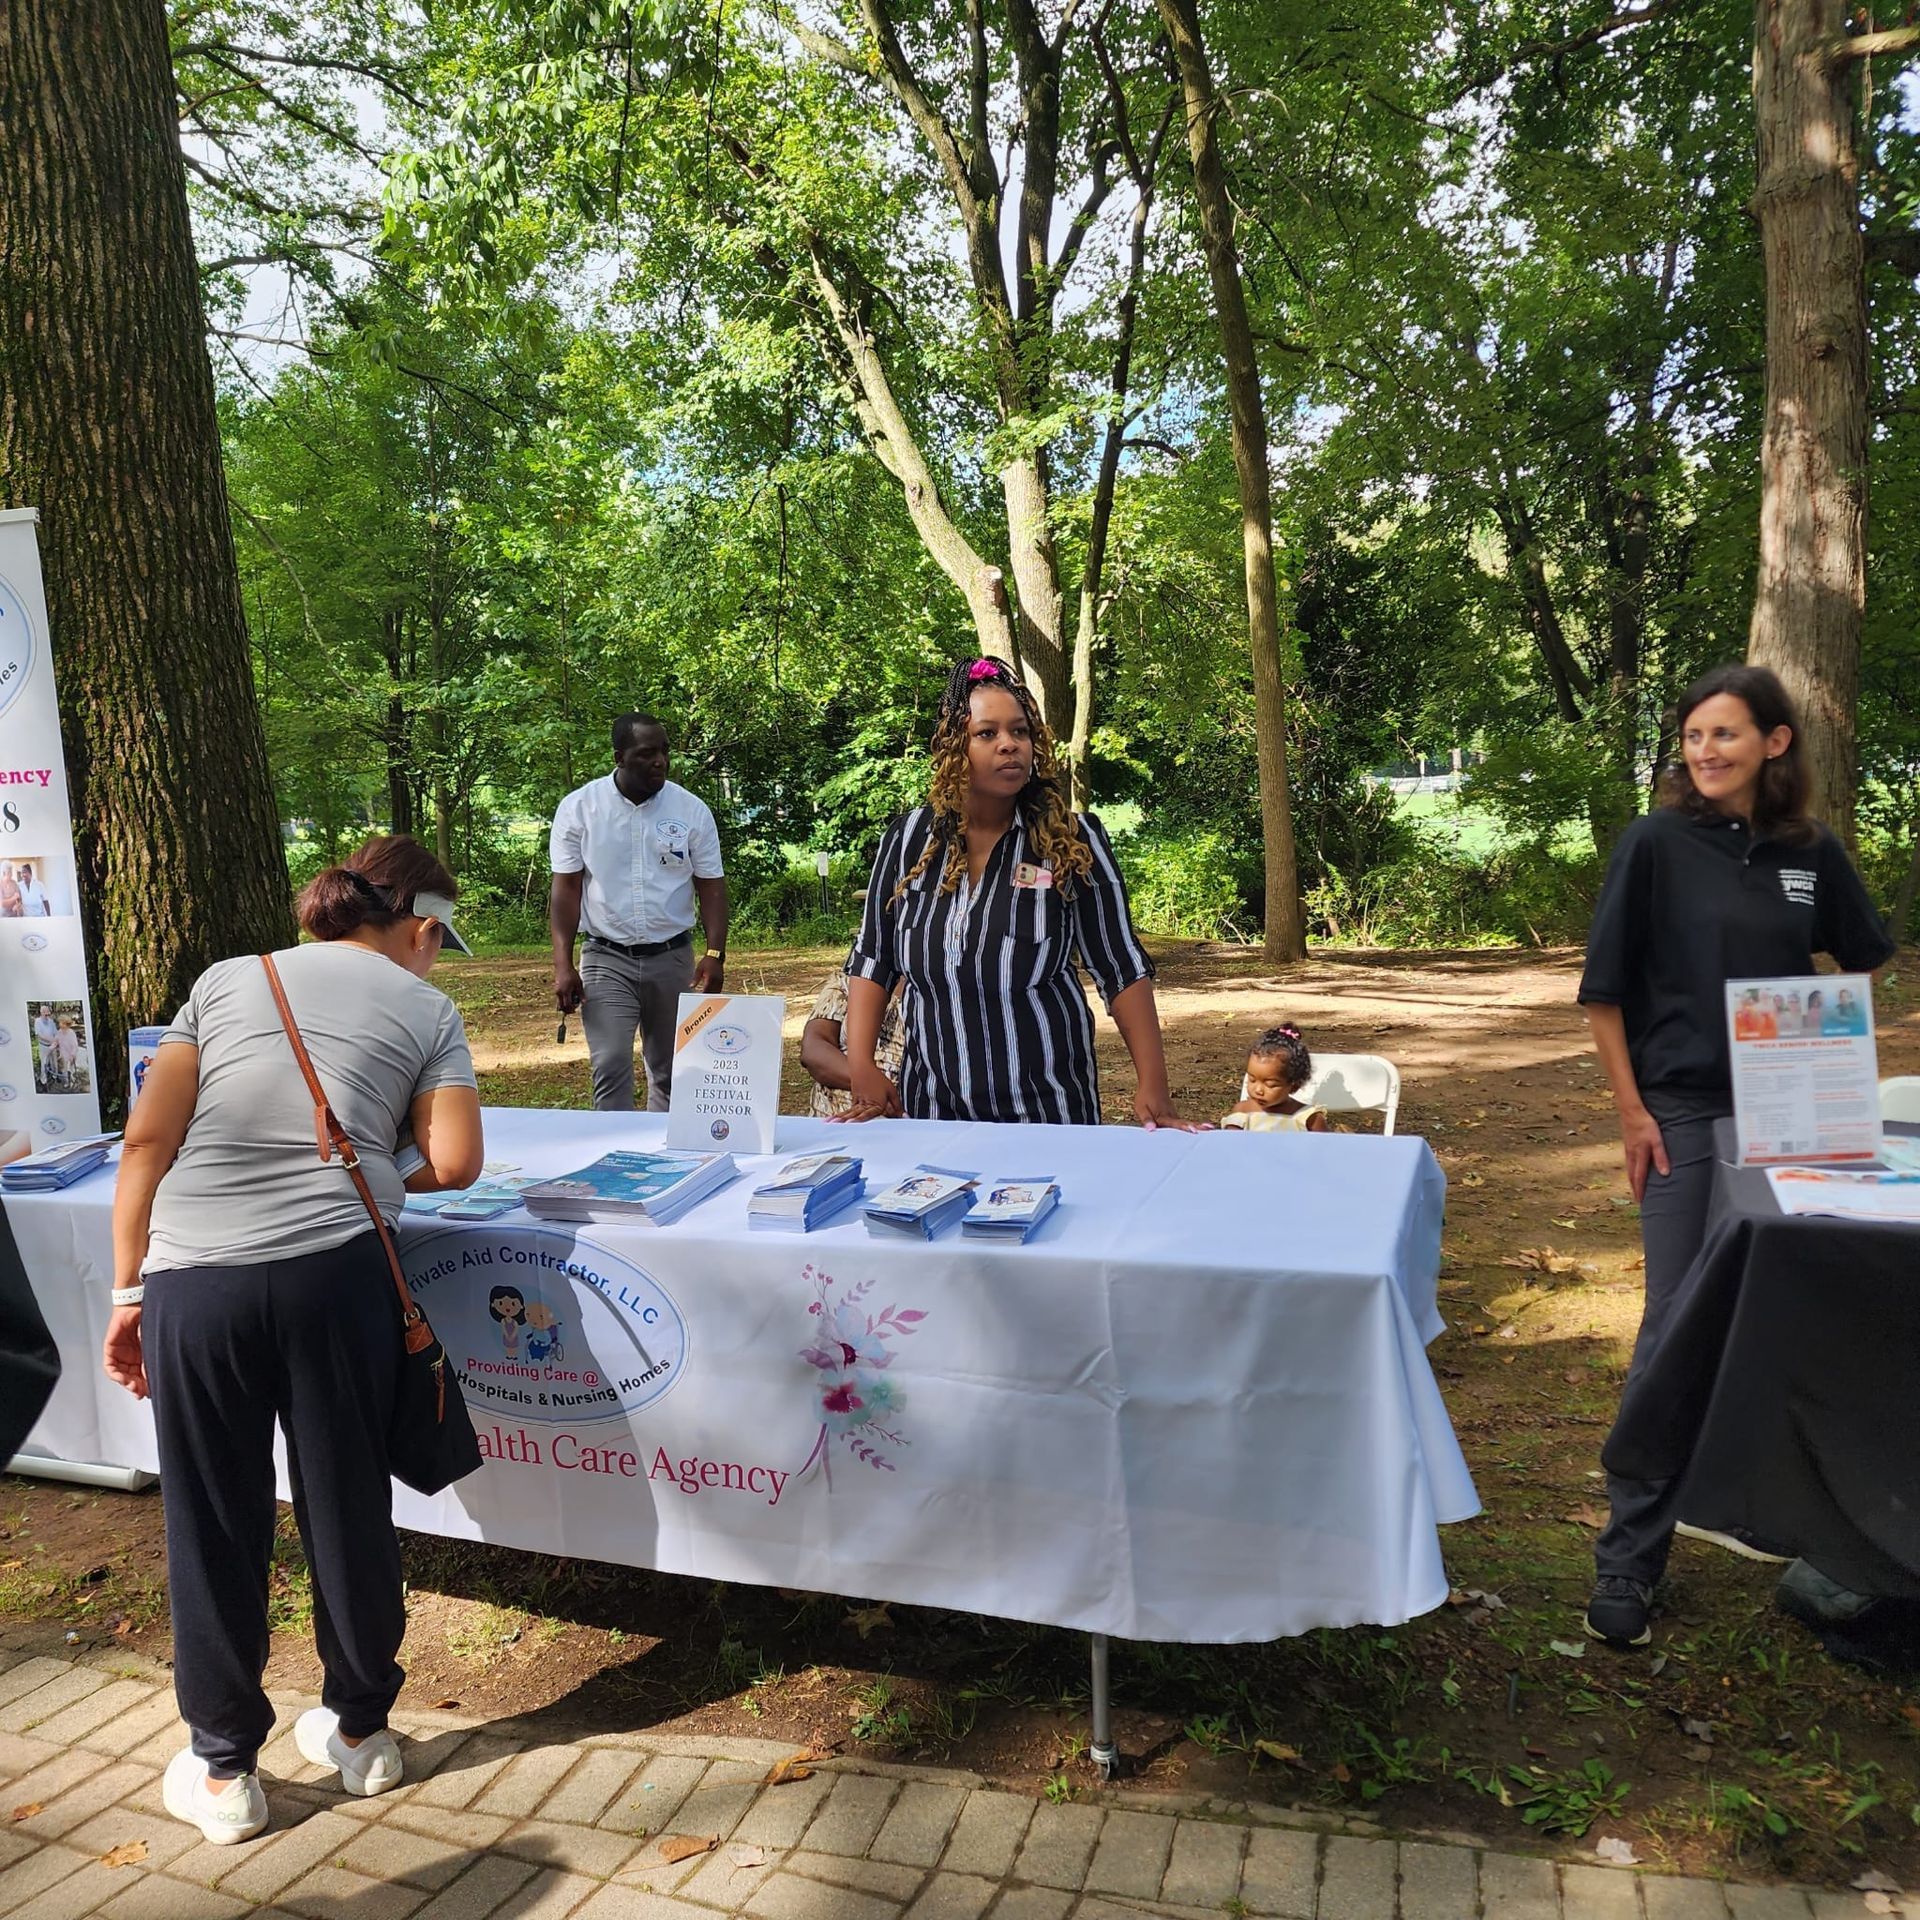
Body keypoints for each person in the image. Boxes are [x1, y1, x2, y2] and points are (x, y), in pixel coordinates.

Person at [100, 834, 484, 1845]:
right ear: (420, 928)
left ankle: (225, 1773)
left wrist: (127, 1292)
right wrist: (373, 1160)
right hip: (337, 1278)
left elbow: (148, 1139)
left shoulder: (229, 981)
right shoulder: (427, 1008)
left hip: (196, 1283)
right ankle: (362, 1734)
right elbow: (457, 1160)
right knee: (346, 1498)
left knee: (213, 1517)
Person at [1577, 665, 1894, 1650]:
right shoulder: (1655, 844)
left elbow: (1868, 956)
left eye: (1725, 735)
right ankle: (1632, 1555)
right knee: (1673, 1321)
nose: (1705, 752)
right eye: (1694, 736)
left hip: (1788, 1114)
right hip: (1678, 1112)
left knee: (1789, 1312)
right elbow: (1603, 993)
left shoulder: (1808, 850)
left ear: (1775, 742)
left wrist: (1829, 1056)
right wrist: (1633, 1114)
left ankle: (1794, 1522)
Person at [840, 656, 1195, 1128]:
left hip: (1045, 1114)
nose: (1010, 745)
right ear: (954, 750)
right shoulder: (909, 839)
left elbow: (1120, 966)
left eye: (1020, 732)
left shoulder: (1070, 840)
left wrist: (1153, 1083)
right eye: (988, 734)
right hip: (932, 1110)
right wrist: (861, 1064)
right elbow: (874, 956)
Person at [549, 713, 729, 1113]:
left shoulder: (691, 811)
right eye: (647, 753)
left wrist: (715, 954)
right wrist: (562, 965)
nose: (660, 761)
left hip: (672, 958)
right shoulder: (580, 809)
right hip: (606, 958)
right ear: (619, 757)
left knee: (672, 1071)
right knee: (610, 1064)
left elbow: (711, 885)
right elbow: (566, 889)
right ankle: (615, 1161)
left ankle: (666, 1163)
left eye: (664, 751)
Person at [801, 959, 906, 1118]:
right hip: (833, 1122)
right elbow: (814, 1047)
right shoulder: (847, 979)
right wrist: (869, 1083)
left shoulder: (941, 994)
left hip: (909, 1123)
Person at [1221, 1024, 1329, 1132]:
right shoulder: (1242, 1111)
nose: (1258, 1090)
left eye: (1270, 1085)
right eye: (1252, 1080)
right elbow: (1230, 1144)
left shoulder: (1308, 1118)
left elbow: (1326, 1146)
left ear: (1294, 1086)